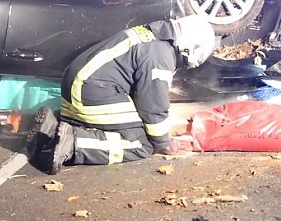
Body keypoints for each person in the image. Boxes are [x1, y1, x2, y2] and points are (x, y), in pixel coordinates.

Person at [26, 15, 217, 174]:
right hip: (91, 90)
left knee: (125, 127)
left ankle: (52, 130)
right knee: (140, 143)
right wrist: (162, 142)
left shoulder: (152, 35)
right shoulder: (160, 53)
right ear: (192, 48)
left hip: (78, 86)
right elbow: (152, 106)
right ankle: (73, 143)